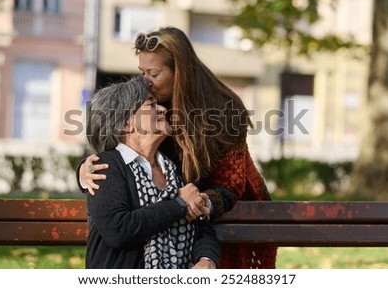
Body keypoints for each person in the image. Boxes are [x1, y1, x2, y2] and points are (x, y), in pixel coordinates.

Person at [80, 26, 277, 268]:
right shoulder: (155, 108)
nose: (146, 83)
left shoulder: (224, 109)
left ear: (179, 72)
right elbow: (124, 149)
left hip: (224, 211)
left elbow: (231, 184)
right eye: (142, 72)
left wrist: (200, 203)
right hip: (175, 209)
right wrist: (86, 169)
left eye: (154, 73)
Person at [85, 76, 220, 269]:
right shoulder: (105, 166)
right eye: (151, 104)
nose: (163, 109)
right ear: (125, 124)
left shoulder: (174, 169)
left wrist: (207, 260)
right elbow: (119, 230)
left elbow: (202, 228)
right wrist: (179, 204)